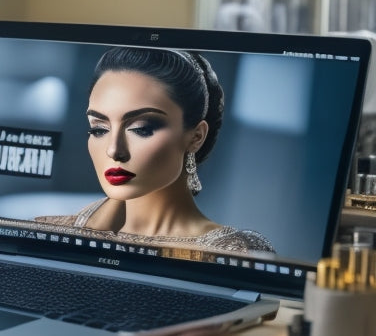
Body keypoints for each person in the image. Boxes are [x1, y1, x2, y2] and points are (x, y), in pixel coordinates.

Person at [36, 46, 274, 253]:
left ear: (196, 137)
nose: (114, 150)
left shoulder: (233, 252)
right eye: (99, 129)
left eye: (141, 128)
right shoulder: (61, 235)